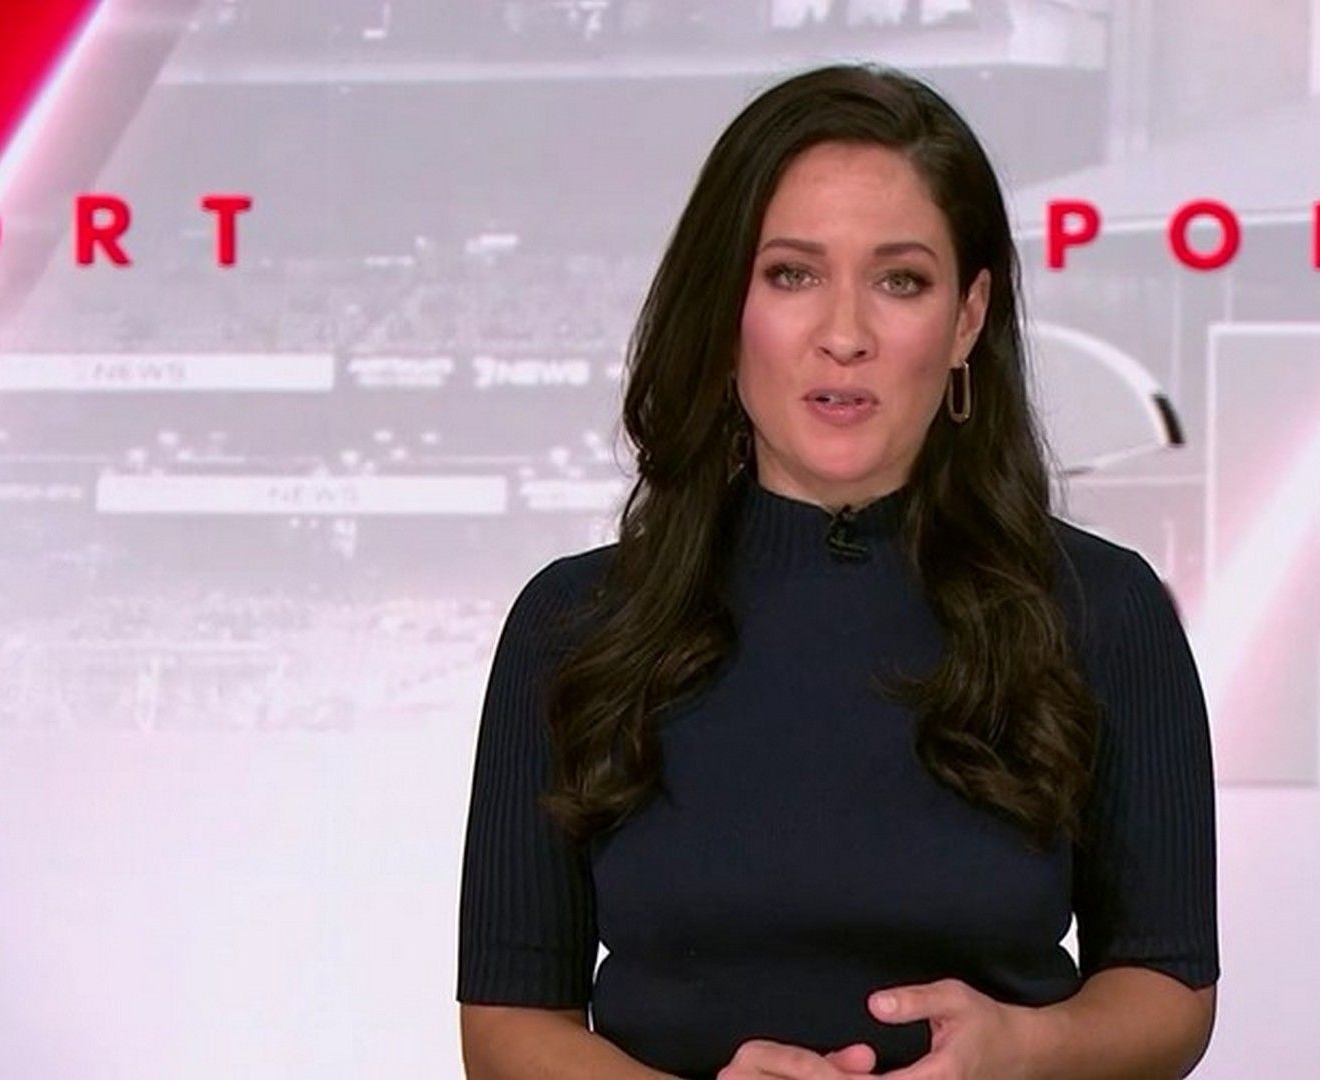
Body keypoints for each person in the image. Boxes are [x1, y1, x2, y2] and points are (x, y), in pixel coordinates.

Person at [457, 62, 1219, 1079]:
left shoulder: (1104, 610)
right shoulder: (574, 621)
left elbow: (1170, 989)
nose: (845, 336)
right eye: (792, 275)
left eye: (900, 280)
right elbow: (506, 1027)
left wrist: (1026, 1049)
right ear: (725, 306)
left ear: (967, 318)